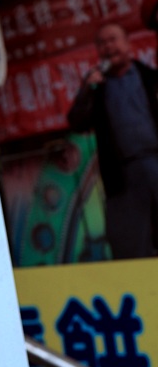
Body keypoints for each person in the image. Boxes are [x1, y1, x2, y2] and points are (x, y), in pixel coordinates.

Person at [67, 22, 158, 259]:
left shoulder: (149, 77)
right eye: (102, 43)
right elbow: (77, 123)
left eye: (113, 40)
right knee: (131, 245)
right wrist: (87, 89)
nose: (108, 47)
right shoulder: (96, 87)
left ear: (128, 45)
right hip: (123, 175)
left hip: (155, 161)